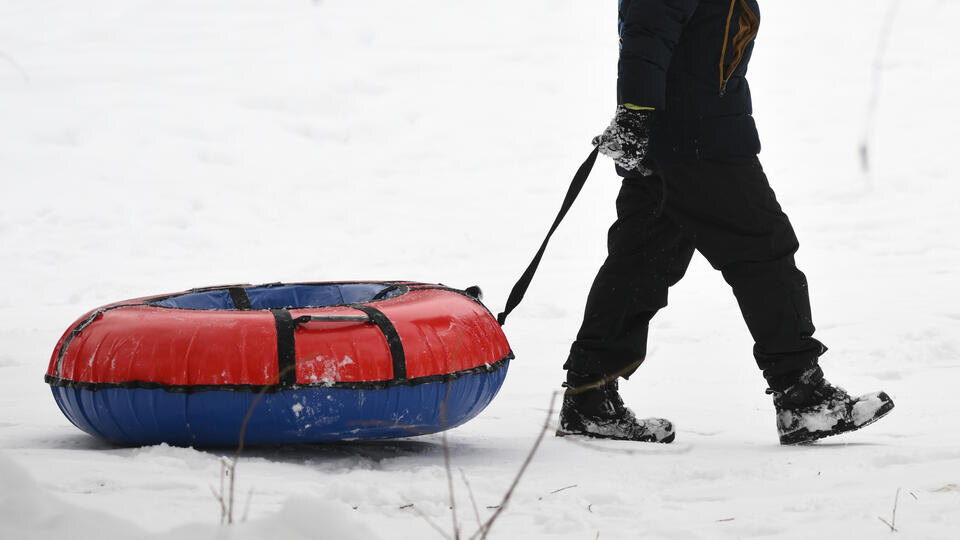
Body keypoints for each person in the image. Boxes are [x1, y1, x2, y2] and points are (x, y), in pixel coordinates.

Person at [556, 0, 894, 444]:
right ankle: (803, 395)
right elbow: (647, 32)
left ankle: (590, 397)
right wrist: (635, 113)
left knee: (641, 262)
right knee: (763, 250)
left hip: (685, 134)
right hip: (699, 140)